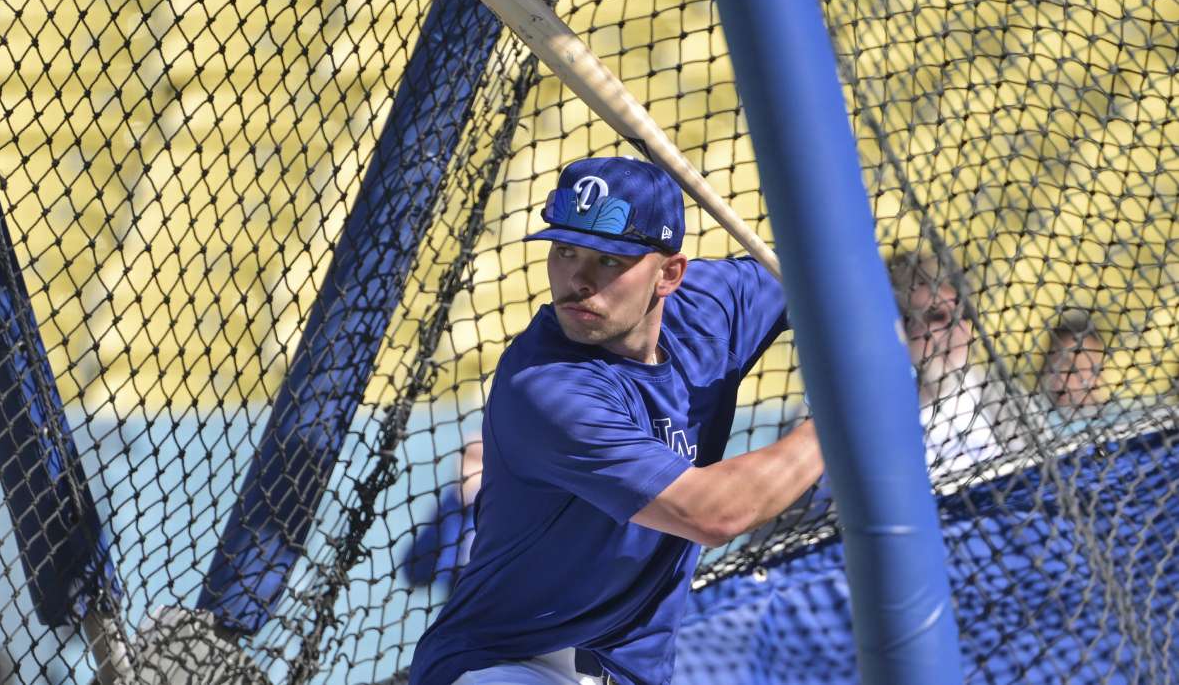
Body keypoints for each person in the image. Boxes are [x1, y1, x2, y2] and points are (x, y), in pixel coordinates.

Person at [409, 156, 824, 685]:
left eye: (609, 260)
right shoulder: (546, 384)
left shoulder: (709, 309)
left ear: (669, 274)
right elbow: (715, 514)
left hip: (626, 674)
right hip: (510, 663)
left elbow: (819, 272)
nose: (577, 280)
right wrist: (843, 424)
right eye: (565, 251)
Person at [887, 252, 1028, 474]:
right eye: (937, 316)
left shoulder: (1003, 394)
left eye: (965, 316)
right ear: (900, 328)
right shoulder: (882, 420)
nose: (957, 330)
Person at [402, 436, 484, 590]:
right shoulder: (451, 506)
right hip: (463, 601)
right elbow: (414, 570)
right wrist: (460, 500)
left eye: (480, 458)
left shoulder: (508, 508)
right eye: (468, 457)